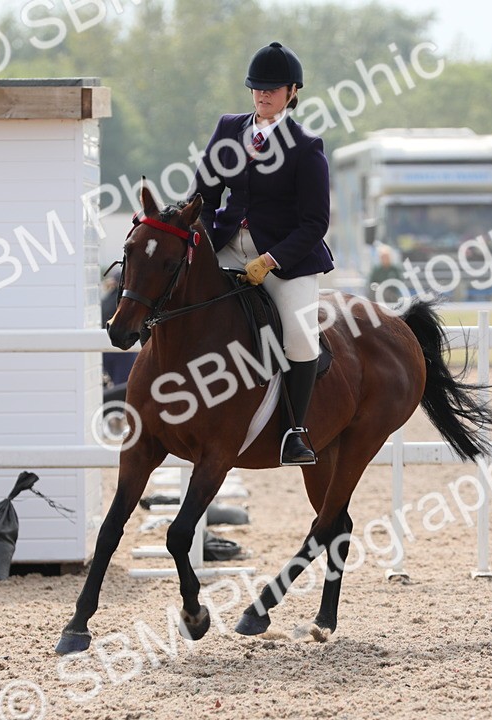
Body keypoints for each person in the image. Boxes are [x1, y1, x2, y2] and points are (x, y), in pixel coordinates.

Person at [189, 41, 333, 466]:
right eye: (257, 88)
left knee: (300, 335)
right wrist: (196, 240)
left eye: (272, 89)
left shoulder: (306, 145)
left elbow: (315, 223)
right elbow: (204, 194)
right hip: (229, 245)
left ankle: (294, 430)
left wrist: (270, 261)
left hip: (286, 257)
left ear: (292, 92)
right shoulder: (229, 129)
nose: (263, 95)